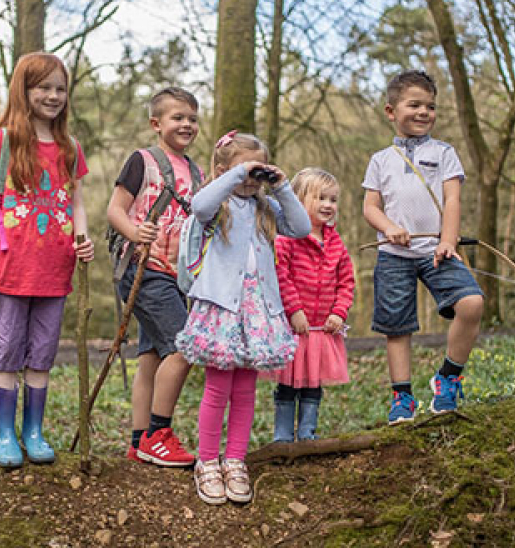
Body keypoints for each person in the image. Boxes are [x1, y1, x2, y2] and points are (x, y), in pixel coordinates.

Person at [0, 52, 94, 468]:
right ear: (24, 90)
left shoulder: (70, 147)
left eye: (60, 88)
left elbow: (76, 202)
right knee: (7, 349)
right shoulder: (3, 141)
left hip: (54, 270)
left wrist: (82, 238)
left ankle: (33, 431)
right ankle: (2, 432)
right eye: (44, 87)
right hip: (10, 267)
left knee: (42, 353)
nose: (53, 96)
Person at [176, 131, 311, 505]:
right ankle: (207, 461)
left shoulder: (266, 208)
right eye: (245, 172)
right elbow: (199, 205)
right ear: (222, 171)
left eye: (257, 172)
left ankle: (235, 460)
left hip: (258, 310)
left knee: (246, 391)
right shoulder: (216, 205)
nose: (252, 181)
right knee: (218, 388)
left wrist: (281, 186)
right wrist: (236, 175)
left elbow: (301, 228)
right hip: (223, 308)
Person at [361, 69, 484, 425]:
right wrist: (390, 227)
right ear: (390, 111)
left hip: (437, 250)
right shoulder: (381, 160)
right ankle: (402, 396)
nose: (423, 112)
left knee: (471, 302)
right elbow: (370, 207)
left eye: (430, 107)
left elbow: (453, 198)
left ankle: (448, 377)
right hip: (393, 254)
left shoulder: (444, 152)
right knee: (397, 327)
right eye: (414, 105)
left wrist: (447, 240)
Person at [106, 87, 204, 467]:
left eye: (192, 119)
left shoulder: (195, 171)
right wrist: (134, 233)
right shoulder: (142, 161)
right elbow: (116, 209)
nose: (186, 124)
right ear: (156, 123)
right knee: (185, 346)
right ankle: (159, 434)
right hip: (142, 270)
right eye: (177, 117)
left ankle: (139, 438)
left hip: (175, 277)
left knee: (151, 356)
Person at [271, 168, 355, 442]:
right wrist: (294, 310)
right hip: (293, 328)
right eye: (320, 198)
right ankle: (283, 435)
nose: (328, 205)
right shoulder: (287, 239)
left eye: (332, 199)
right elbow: (280, 276)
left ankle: (307, 431)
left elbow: (346, 282)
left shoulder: (336, 243)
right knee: (287, 384)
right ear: (297, 200)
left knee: (313, 383)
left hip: (321, 330)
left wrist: (338, 313)